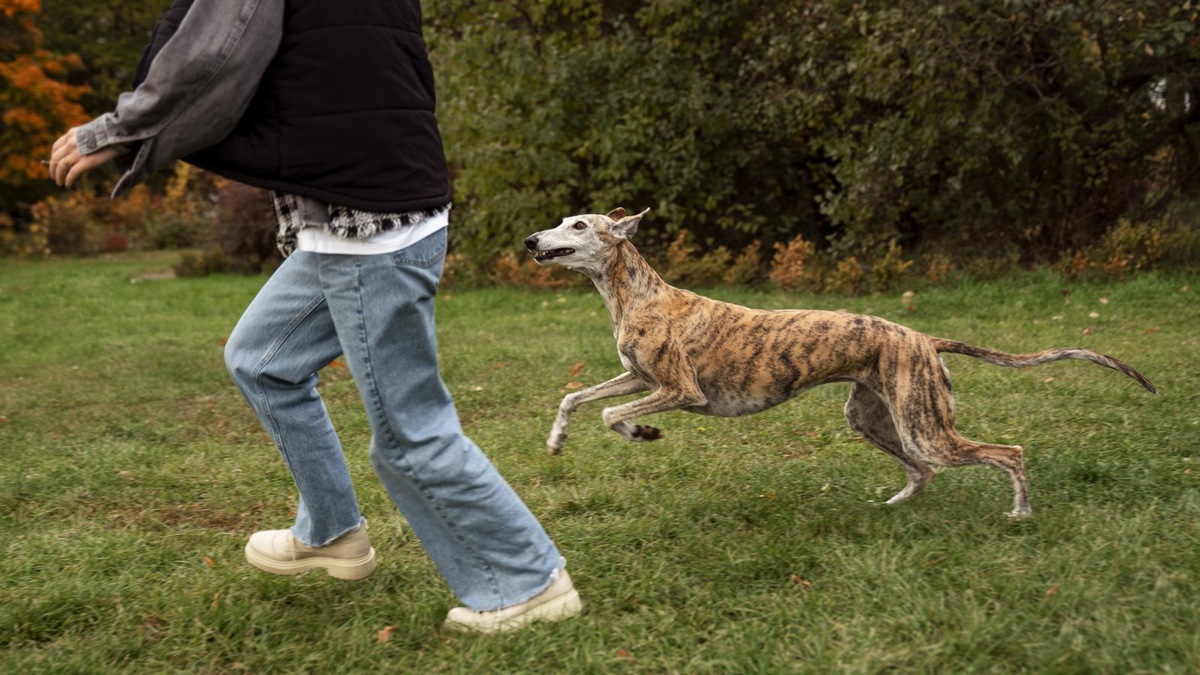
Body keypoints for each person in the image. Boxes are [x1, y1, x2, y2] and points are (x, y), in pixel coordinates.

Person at [48, 0, 581, 633]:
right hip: (375, 208)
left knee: (409, 430)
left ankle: (527, 581)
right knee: (263, 361)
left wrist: (117, 128)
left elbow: (213, 52)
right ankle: (331, 533)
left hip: (367, 227)